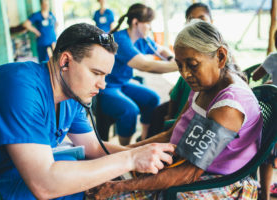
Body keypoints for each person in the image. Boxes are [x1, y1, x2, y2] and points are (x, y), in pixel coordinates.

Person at [0, 23, 176, 200]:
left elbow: (94, 149)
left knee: (76, 165)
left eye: (106, 76)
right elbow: (44, 185)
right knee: (70, 180)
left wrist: (146, 158)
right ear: (65, 61)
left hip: (11, 169)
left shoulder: (71, 96)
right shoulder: (19, 85)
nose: (103, 85)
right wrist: (131, 159)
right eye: (96, 73)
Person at [87, 20, 263, 200]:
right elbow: (171, 134)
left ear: (220, 57)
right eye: (179, 65)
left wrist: (117, 186)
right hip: (180, 165)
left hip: (218, 182)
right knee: (106, 174)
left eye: (192, 64)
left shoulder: (228, 107)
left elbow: (188, 173)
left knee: (114, 194)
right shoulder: (204, 85)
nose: (185, 74)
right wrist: (124, 153)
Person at [99, 3, 178, 145]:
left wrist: (172, 59)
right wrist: (178, 66)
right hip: (106, 87)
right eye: (148, 23)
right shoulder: (120, 40)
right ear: (136, 22)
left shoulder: (141, 40)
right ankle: (126, 149)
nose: (150, 27)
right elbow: (145, 65)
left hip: (122, 83)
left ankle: (143, 140)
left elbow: (160, 50)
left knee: (152, 99)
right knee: (130, 110)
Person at [147, 2, 213, 138]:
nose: (198, 25)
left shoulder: (218, 55)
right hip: (183, 112)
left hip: (196, 118)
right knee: (158, 113)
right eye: (192, 21)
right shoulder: (189, 54)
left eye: (193, 64)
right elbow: (175, 94)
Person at [252, 29, 277, 200]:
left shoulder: (274, 58)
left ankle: (265, 195)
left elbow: (255, 76)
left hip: (275, 116)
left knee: (268, 154)